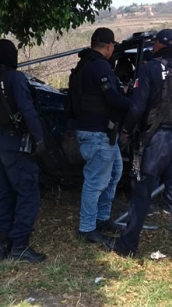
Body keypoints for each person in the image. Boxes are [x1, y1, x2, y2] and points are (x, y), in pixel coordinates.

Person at [105, 28, 172, 277]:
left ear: (159, 45)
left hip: (156, 140)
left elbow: (137, 108)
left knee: (141, 194)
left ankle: (127, 246)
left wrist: (126, 130)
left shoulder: (149, 69)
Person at [0, 39, 47, 263]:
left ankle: (4, 243)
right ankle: (20, 246)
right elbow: (28, 111)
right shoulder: (16, 79)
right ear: (11, 55)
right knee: (28, 194)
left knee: (4, 195)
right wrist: (40, 139)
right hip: (17, 144)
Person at [66, 27, 131, 243]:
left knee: (114, 172)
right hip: (97, 133)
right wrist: (134, 103)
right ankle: (87, 229)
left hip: (97, 132)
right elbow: (112, 98)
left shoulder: (83, 65)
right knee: (95, 181)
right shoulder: (99, 66)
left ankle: (102, 219)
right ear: (109, 46)